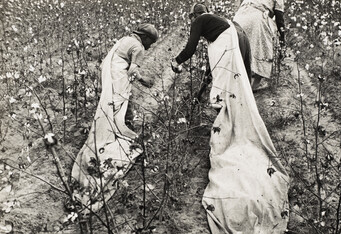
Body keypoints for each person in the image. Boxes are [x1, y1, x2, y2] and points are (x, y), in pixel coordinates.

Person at [172, 3, 289, 233]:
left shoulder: (201, 20)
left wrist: (175, 61)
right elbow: (210, 68)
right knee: (232, 88)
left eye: (192, 19)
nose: (192, 22)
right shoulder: (221, 26)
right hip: (238, 42)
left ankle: (226, 130)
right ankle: (232, 123)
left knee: (223, 91)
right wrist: (197, 95)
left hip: (232, 43)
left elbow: (190, 48)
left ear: (196, 16)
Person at [71, 23, 159, 213]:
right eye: (150, 42)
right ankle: (117, 133)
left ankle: (117, 127)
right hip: (118, 79)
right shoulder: (138, 47)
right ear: (145, 38)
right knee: (118, 109)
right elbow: (132, 71)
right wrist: (146, 81)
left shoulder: (125, 40)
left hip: (109, 77)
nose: (150, 46)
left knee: (111, 109)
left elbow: (105, 63)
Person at [234, 0, 286, 91]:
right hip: (256, 18)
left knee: (239, 49)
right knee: (262, 49)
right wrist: (282, 39)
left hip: (239, 16)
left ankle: (238, 82)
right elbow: (279, 18)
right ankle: (254, 85)